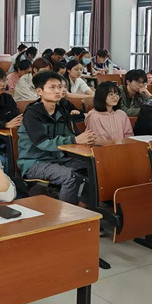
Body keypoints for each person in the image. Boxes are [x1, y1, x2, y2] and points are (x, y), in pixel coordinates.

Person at [17, 71, 96, 204]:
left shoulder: (61, 110)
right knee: (69, 177)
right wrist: (75, 140)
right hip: (34, 162)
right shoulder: (32, 114)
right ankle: (67, 213)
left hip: (57, 159)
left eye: (60, 87)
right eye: (52, 87)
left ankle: (84, 208)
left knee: (90, 169)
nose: (58, 91)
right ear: (39, 91)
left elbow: (69, 134)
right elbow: (42, 143)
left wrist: (85, 140)